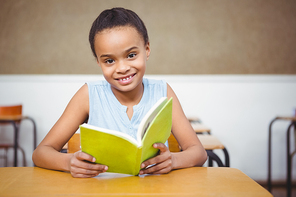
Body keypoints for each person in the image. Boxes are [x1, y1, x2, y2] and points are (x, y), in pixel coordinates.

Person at [32, 7, 207, 178]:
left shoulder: (163, 91)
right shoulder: (88, 95)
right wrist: (69, 162)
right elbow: (41, 152)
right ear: (98, 62)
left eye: (131, 55)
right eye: (109, 60)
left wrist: (173, 160)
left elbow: (199, 152)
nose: (122, 68)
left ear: (146, 49)